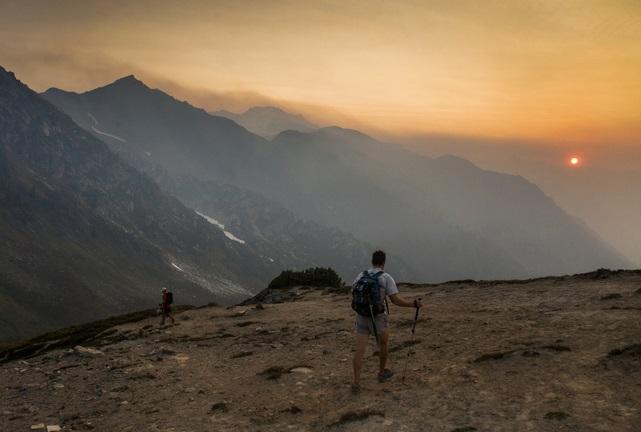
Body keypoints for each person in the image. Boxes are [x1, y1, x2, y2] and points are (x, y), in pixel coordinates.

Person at [351, 250, 423, 394]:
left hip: (361, 316)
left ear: (372, 261)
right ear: (383, 262)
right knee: (383, 345)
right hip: (378, 318)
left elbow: (353, 292)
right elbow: (395, 300)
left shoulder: (361, 275)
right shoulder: (385, 277)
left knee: (359, 351)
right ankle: (382, 372)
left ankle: (356, 383)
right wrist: (412, 304)